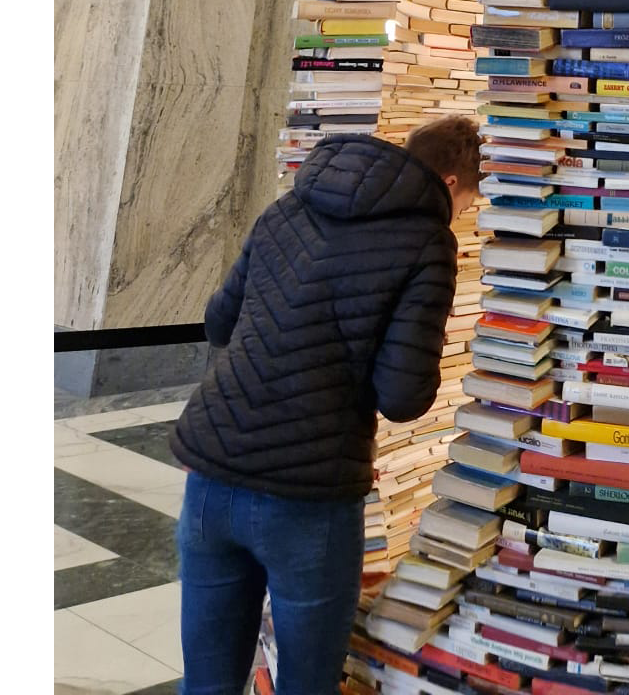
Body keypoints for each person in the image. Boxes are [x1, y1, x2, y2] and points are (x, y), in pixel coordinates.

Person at [167, 112, 477, 695]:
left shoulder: (290, 205)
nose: (461, 215)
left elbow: (219, 322)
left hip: (212, 470)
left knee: (206, 685)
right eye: (467, 204)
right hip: (308, 495)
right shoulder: (428, 242)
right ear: (452, 183)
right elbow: (403, 396)